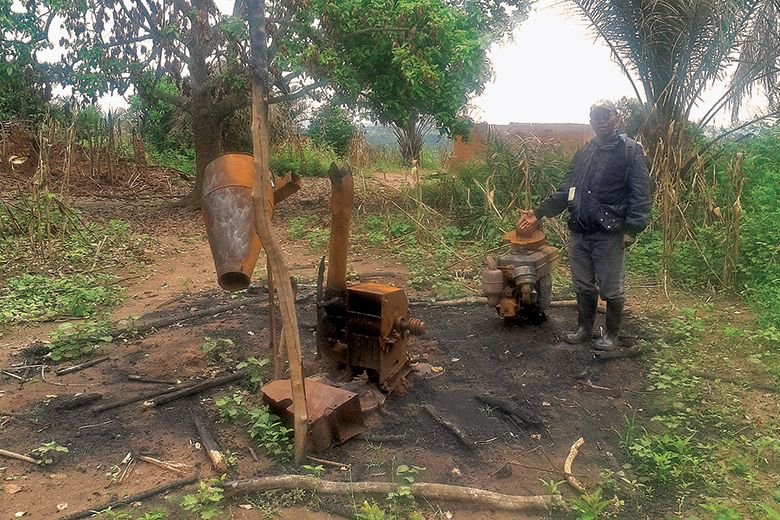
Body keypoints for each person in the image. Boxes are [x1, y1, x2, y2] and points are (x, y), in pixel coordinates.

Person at [518, 100, 652, 350]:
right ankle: (584, 329)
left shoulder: (630, 151)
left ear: (616, 117)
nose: (600, 121)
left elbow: (641, 193)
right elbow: (567, 187)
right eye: (595, 117)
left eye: (605, 116)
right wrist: (539, 212)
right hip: (580, 230)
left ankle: (611, 335)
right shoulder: (585, 151)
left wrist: (633, 228)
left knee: (611, 289)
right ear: (591, 121)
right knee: (582, 284)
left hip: (609, 232)